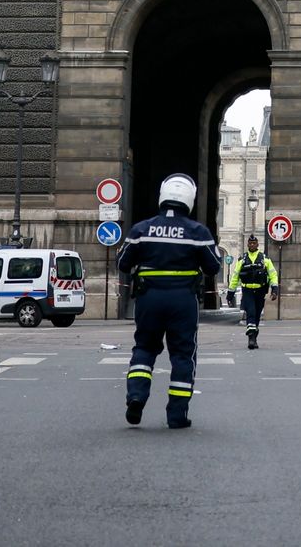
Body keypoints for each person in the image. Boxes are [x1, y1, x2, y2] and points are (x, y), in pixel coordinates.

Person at [118, 174, 222, 430]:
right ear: (189, 200)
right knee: (183, 356)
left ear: (162, 196)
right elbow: (214, 267)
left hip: (149, 299)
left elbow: (122, 263)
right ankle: (176, 416)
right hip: (182, 302)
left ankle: (136, 397)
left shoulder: (141, 229)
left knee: (144, 348)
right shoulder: (198, 232)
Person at [229, 236, 278, 349]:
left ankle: (254, 337)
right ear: (247, 245)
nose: (252, 245)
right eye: (250, 243)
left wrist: (274, 289)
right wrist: (230, 293)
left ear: (257, 245)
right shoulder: (242, 259)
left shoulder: (265, 259)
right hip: (247, 291)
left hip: (260, 291)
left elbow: (273, 274)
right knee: (250, 312)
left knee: (256, 315)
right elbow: (235, 276)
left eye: (254, 243)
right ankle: (251, 338)